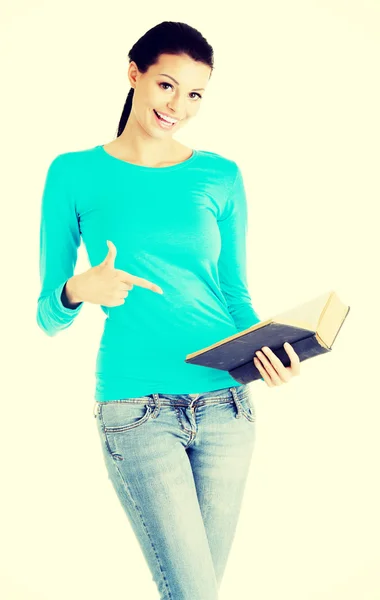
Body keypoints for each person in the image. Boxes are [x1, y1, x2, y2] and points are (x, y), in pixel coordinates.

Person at [37, 20, 300, 600]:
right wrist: (81, 289)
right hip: (136, 410)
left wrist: (266, 353)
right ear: (134, 74)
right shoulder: (73, 173)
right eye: (166, 85)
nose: (178, 106)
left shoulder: (221, 176)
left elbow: (234, 294)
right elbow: (46, 313)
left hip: (228, 409)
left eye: (195, 94)